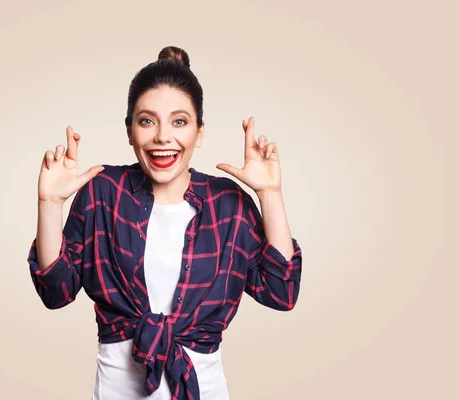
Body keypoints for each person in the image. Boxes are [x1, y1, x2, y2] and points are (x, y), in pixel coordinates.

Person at [28, 46, 303, 400]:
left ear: (199, 132)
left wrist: (270, 193)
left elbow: (281, 293)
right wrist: (49, 203)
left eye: (179, 121)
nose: (162, 137)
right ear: (129, 131)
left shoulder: (227, 203)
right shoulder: (102, 192)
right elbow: (56, 292)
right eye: (147, 121)